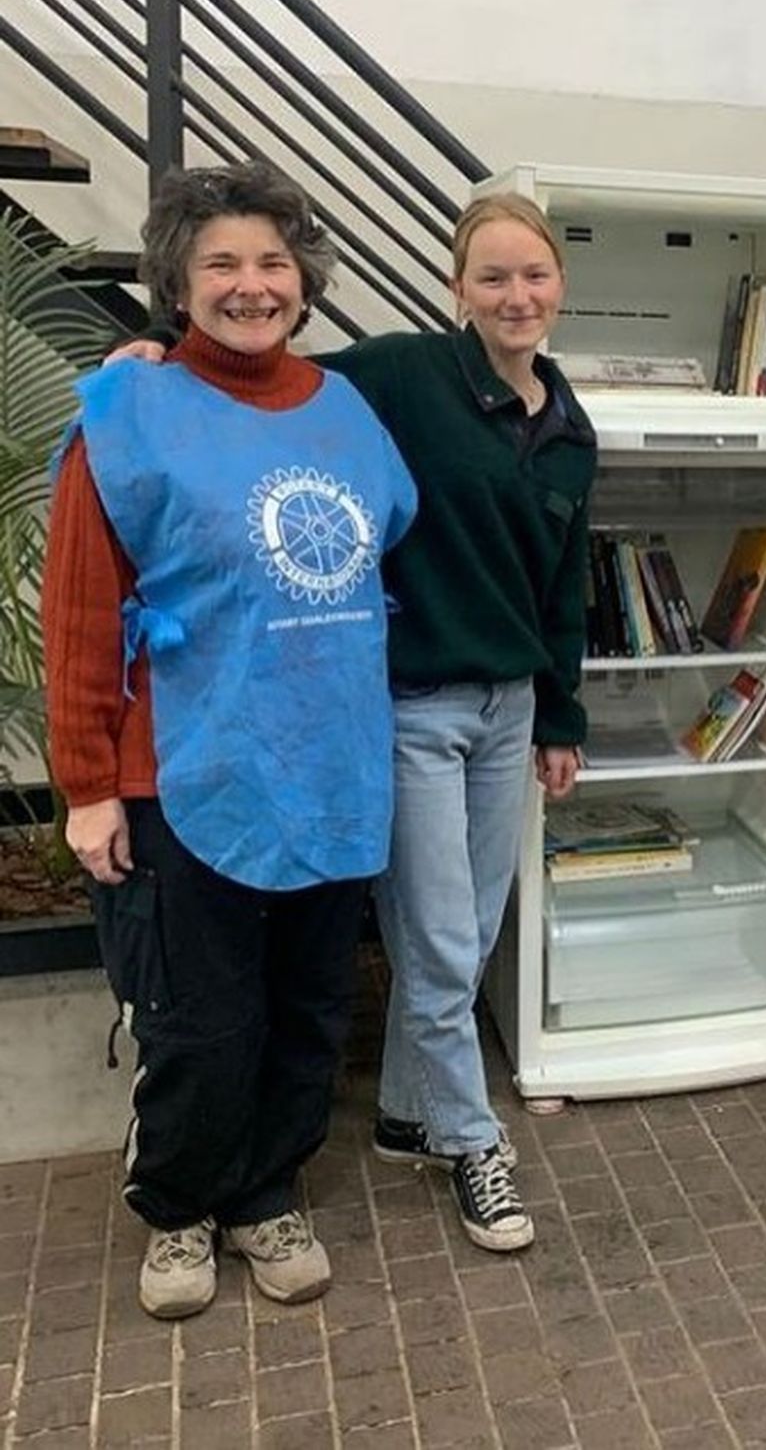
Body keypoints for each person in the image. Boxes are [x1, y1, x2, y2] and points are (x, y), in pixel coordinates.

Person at [111, 190, 596, 1253]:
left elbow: (566, 590)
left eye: (535, 275)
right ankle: (473, 1144)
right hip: (411, 706)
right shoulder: (399, 376)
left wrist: (560, 713)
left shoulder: (569, 428)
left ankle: (403, 1115)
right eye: (493, 277)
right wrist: (153, 343)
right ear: (456, 289)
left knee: (468, 935)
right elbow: (254, 363)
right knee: (436, 932)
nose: (517, 296)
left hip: (507, 710)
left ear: (561, 284)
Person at [43, 162, 417, 1319]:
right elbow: (78, 609)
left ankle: (267, 1190)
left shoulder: (346, 409)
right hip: (184, 770)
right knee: (201, 1020)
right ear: (178, 282)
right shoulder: (127, 411)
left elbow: (389, 537)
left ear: (303, 281)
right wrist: (90, 785)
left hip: (330, 763)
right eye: (221, 265)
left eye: (271, 263)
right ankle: (178, 1208)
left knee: (311, 1009)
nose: (249, 285)